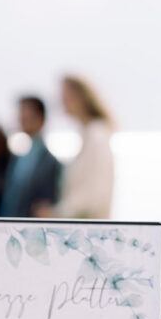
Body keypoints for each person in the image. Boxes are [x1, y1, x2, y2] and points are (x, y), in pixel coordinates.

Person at [43, 75, 115, 219]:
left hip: (90, 230)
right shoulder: (88, 133)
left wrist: (56, 212)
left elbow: (96, 193)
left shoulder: (97, 134)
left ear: (81, 97)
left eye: (65, 96)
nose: (61, 101)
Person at [0, 96, 61, 218]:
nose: (22, 119)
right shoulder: (18, 156)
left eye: (27, 115)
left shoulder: (49, 161)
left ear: (40, 118)